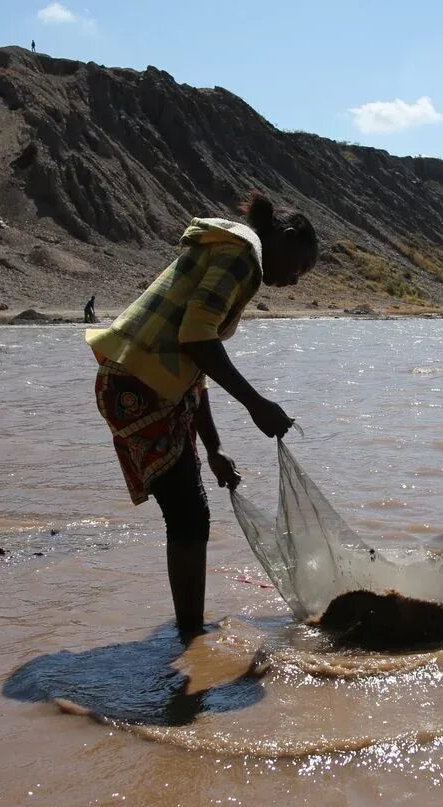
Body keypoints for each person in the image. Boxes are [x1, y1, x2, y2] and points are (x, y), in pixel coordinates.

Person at [88, 192, 318, 640]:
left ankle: (191, 633)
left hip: (150, 385)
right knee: (189, 515)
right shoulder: (242, 256)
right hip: (139, 385)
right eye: (298, 269)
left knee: (190, 509)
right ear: (286, 238)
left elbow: (192, 365)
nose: (294, 282)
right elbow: (197, 341)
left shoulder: (234, 254)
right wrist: (257, 404)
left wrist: (213, 448)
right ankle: (190, 637)